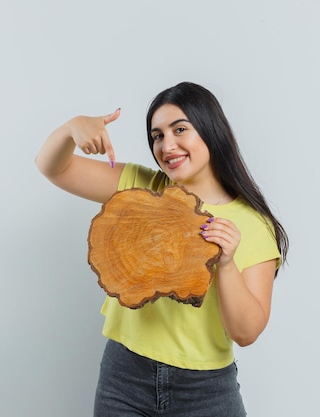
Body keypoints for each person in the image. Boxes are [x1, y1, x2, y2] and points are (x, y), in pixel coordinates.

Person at [36, 82, 288, 416]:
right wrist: (71, 129)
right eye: (157, 135)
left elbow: (246, 333)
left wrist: (225, 264)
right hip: (124, 377)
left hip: (205, 391)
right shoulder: (140, 187)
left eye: (180, 129)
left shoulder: (254, 225)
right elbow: (53, 167)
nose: (167, 145)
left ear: (211, 130)